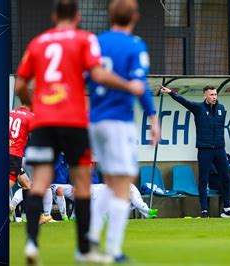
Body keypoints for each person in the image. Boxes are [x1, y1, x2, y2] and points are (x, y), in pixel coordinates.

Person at [15, 0, 145, 264]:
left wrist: (32, 102)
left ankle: (31, 243)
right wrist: (128, 85)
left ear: (54, 16)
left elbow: (20, 84)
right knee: (83, 184)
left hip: (44, 121)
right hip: (73, 120)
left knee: (38, 182)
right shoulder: (85, 39)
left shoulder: (38, 42)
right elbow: (98, 74)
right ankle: (84, 248)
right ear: (78, 16)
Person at [86, 0, 160, 262]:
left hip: (95, 120)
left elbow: (87, 78)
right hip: (118, 120)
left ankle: (91, 241)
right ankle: (113, 250)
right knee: (123, 182)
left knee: (111, 182)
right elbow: (139, 85)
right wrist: (152, 116)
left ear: (110, 16)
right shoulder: (135, 45)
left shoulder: (95, 43)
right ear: (135, 17)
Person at [160, 85, 230, 219]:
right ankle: (204, 210)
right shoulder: (199, 108)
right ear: (205, 95)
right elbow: (184, 102)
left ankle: (227, 208)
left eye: (215, 94)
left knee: (226, 178)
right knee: (203, 179)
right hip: (205, 149)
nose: (214, 97)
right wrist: (171, 92)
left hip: (219, 148)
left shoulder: (221, 108)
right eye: (212, 94)